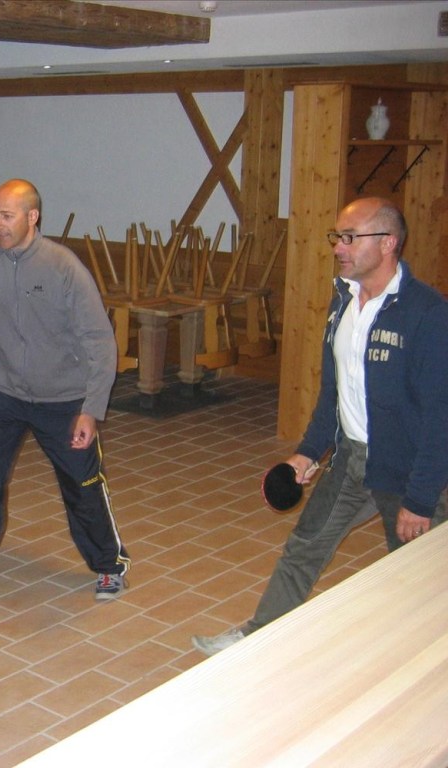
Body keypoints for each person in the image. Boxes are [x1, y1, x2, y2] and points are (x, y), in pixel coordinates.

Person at [192, 197, 448, 656]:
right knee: (305, 546)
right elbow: (334, 391)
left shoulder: (426, 313)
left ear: (388, 243)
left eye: (349, 238)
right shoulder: (342, 301)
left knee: (422, 577)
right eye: (336, 237)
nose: (338, 247)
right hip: (352, 460)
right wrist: (308, 452)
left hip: (406, 469)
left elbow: (440, 415)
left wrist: (421, 499)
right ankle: (258, 639)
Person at [0, 178, 131, 600]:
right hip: (6, 393)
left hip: (63, 399)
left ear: (32, 217)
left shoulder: (63, 267)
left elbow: (99, 340)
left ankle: (109, 566)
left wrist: (91, 408)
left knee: (82, 485)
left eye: (7, 216)